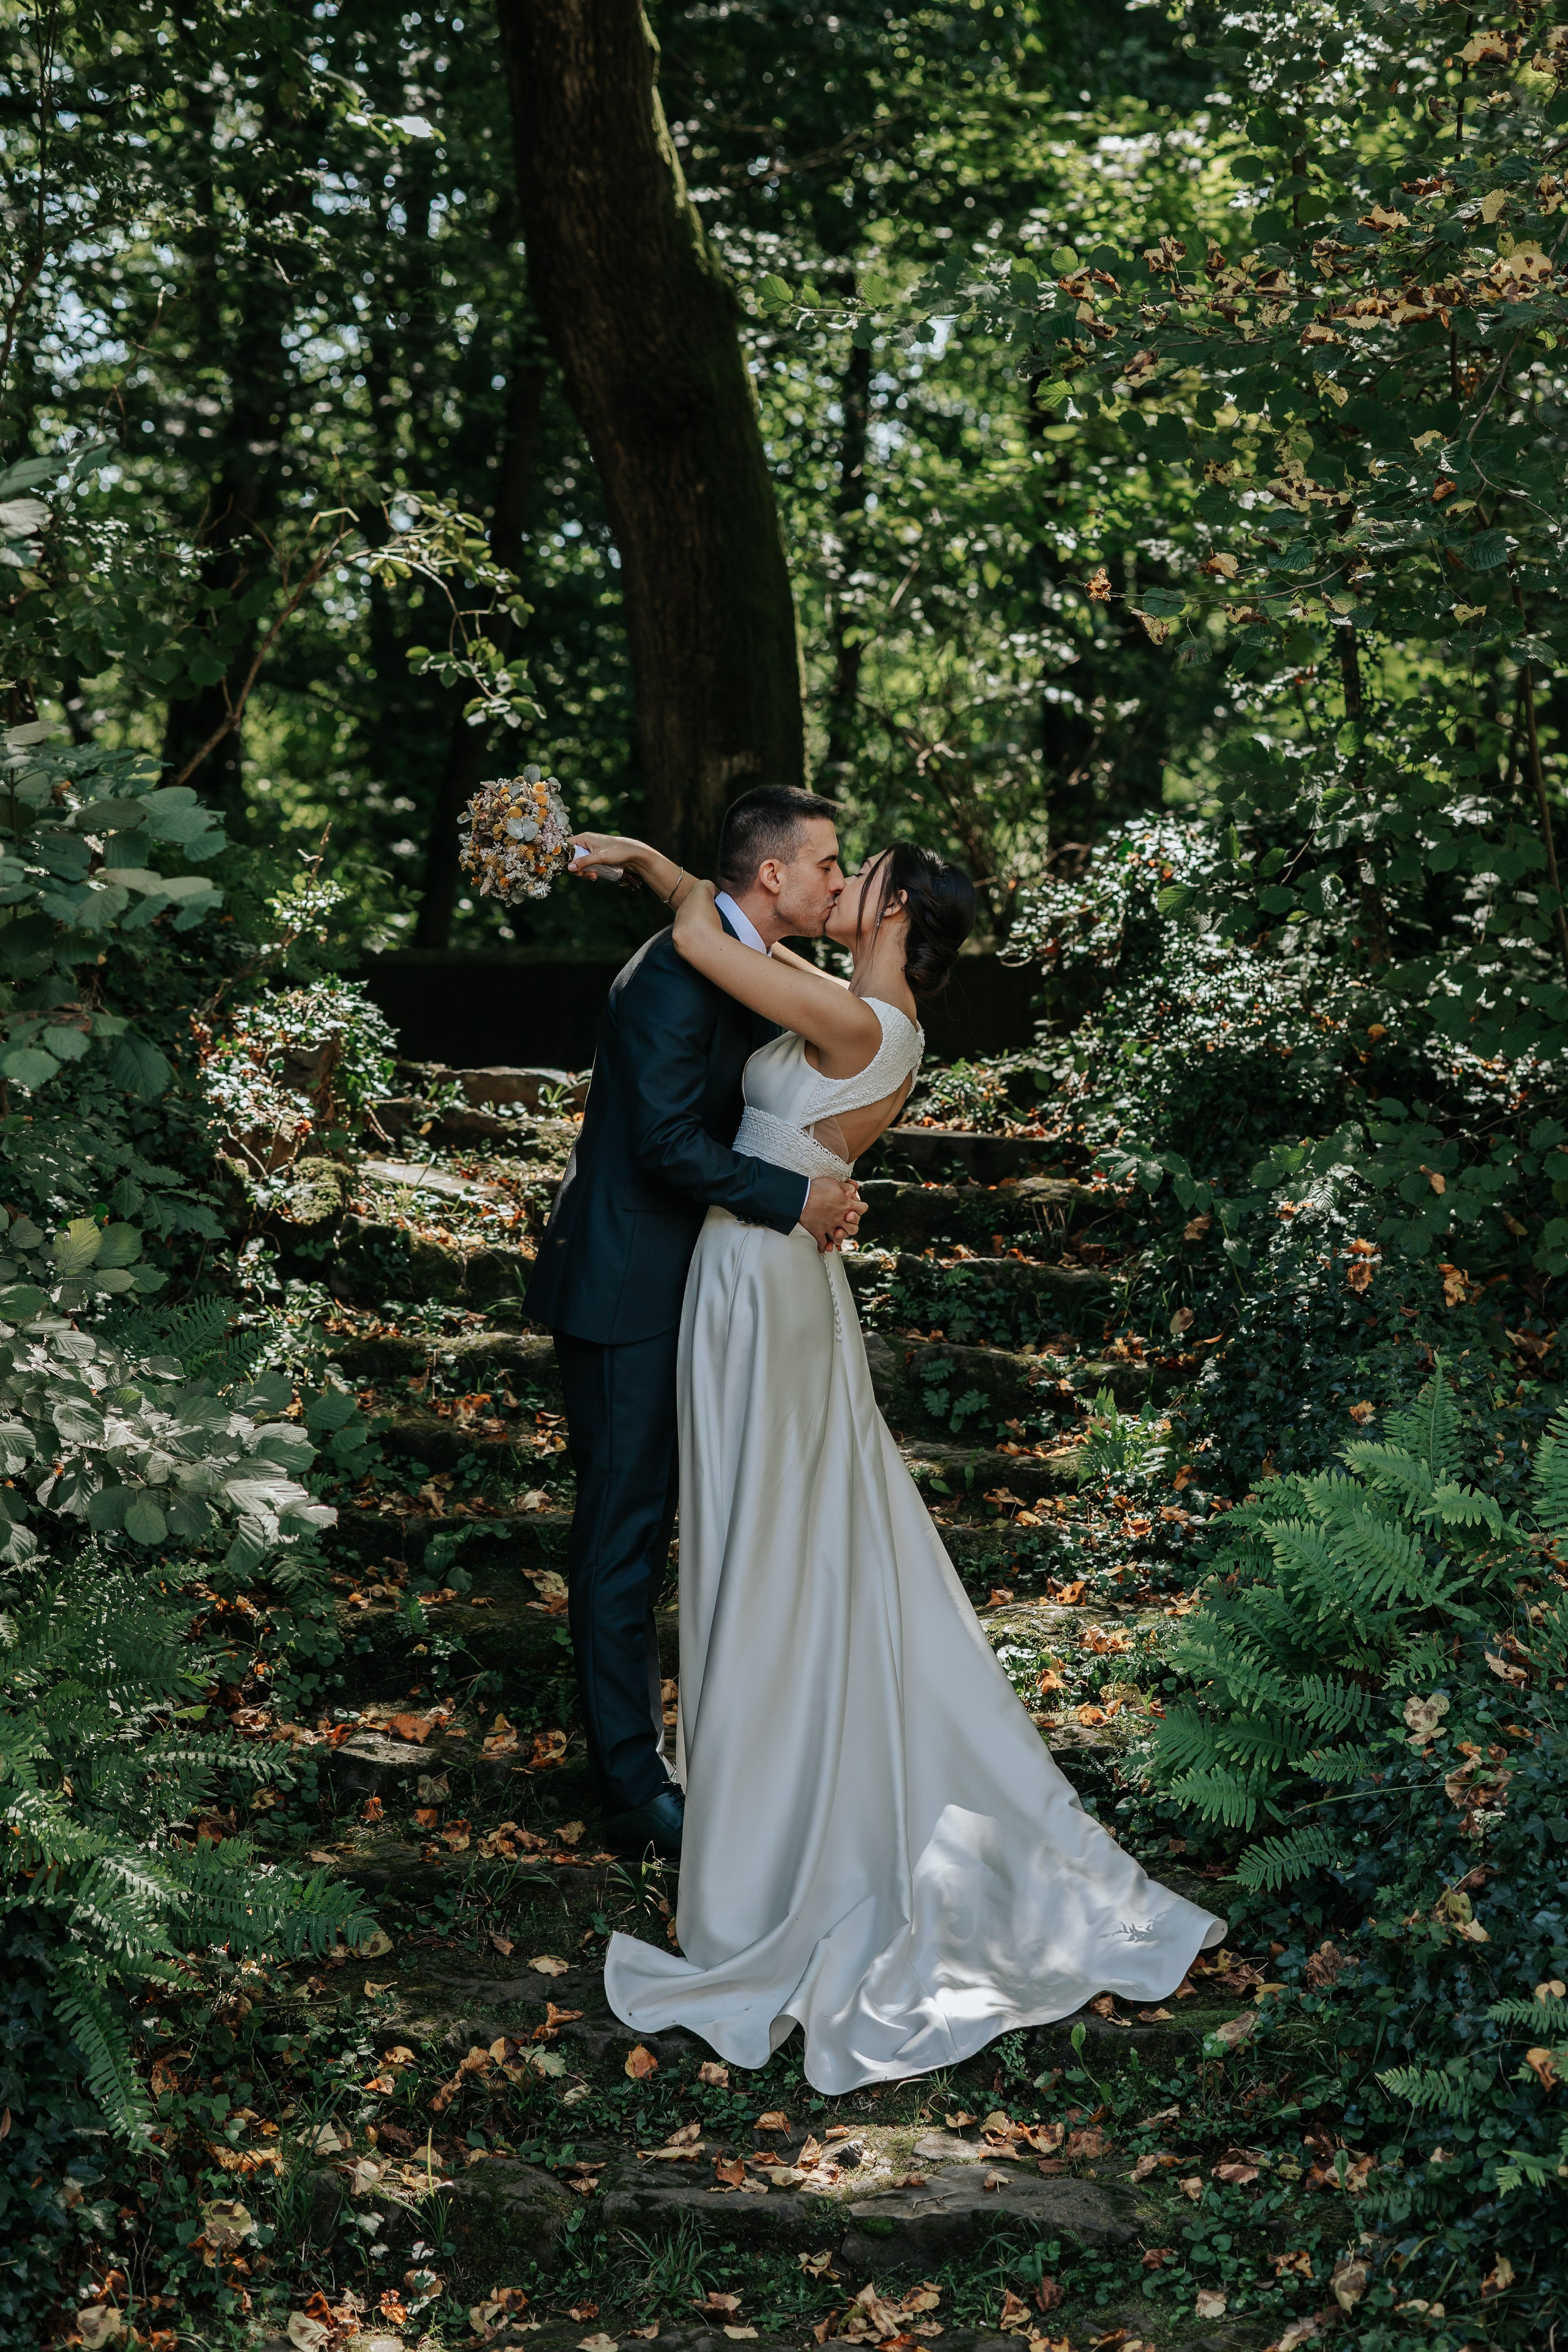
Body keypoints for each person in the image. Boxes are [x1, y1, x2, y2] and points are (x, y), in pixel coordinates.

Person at [578, 821, 1226, 2094]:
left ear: (887, 913)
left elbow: (707, 939)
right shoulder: (857, 1009)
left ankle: (773, 1829)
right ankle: (765, 1787)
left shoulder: (860, 1020)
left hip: (763, 1284)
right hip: (759, 1274)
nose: (841, 874)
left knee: (772, 1543)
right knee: (776, 1537)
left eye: (857, 871)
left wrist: (659, 872)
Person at [524, 786, 863, 1860]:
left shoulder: (726, 947)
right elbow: (667, 1141)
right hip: (624, 1285)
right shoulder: (675, 977)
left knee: (660, 1521)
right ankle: (631, 1785)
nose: (835, 881)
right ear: (774, 876)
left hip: (683, 1283)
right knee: (623, 1535)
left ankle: (681, 1746)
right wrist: (793, 1196)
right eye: (826, 864)